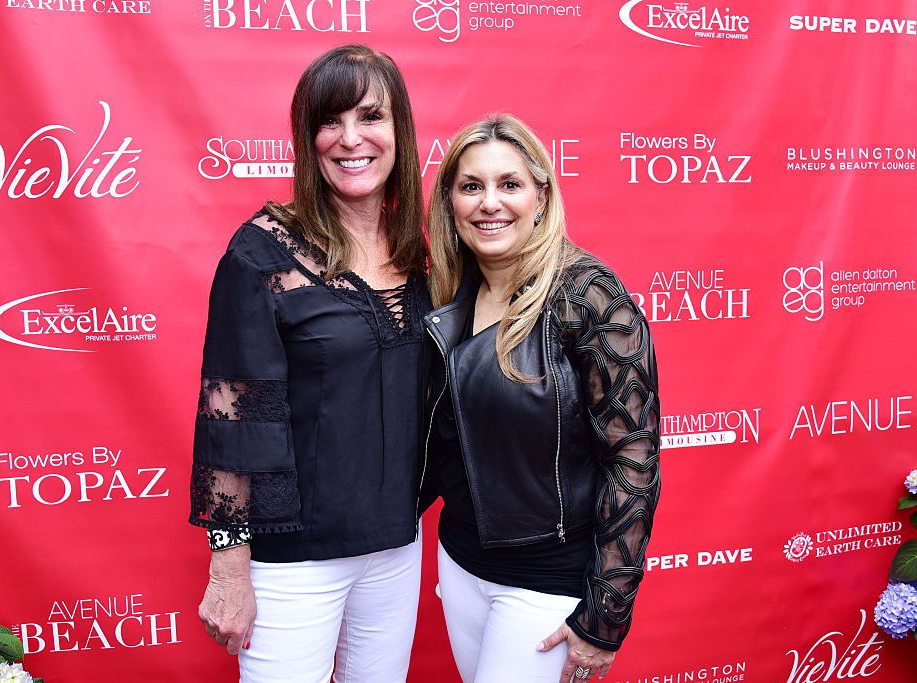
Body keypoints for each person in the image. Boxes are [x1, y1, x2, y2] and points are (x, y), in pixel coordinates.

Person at [190, 45, 430, 683]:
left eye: (370, 117)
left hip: (397, 548)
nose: (350, 139)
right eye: (330, 121)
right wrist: (229, 569)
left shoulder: (420, 251)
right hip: (295, 561)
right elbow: (231, 419)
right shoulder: (260, 255)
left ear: (400, 130)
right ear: (307, 138)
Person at [421, 115, 661, 683]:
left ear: (542, 196)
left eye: (509, 184)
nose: (490, 203)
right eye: (471, 186)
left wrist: (605, 617)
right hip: (460, 564)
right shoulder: (451, 292)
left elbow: (634, 456)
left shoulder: (587, 295)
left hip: (546, 583)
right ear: (450, 202)